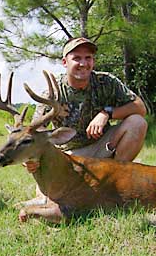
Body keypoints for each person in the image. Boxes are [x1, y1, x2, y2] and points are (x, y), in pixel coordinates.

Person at [23, 36, 148, 184]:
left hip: (103, 146)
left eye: (88, 58)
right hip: (69, 156)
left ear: (93, 61)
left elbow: (140, 107)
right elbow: (35, 132)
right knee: (54, 195)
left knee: (137, 122)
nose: (83, 63)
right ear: (65, 62)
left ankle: (116, 178)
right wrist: (30, 159)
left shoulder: (106, 81)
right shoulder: (53, 93)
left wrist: (106, 113)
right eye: (76, 58)